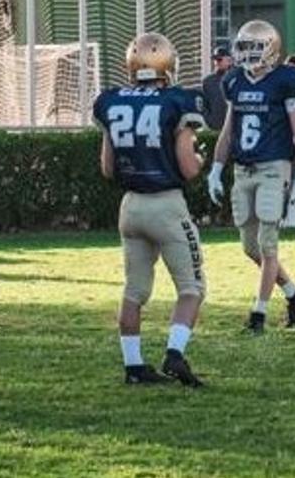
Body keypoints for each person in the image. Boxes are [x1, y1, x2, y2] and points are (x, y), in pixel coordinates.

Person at [94, 33, 207, 387]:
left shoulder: (111, 101)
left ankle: (133, 367)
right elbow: (188, 168)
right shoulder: (177, 100)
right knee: (191, 288)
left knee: (134, 290)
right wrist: (200, 159)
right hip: (165, 204)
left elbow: (108, 168)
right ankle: (174, 354)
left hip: (130, 207)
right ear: (167, 65)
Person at [207, 19, 295, 334]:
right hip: (243, 170)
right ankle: (294, 294)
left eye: (255, 47)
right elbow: (229, 130)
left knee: (268, 245)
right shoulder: (234, 81)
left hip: (274, 167)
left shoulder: (288, 79)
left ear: (271, 48)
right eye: (243, 47)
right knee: (250, 247)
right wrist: (216, 167)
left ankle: (259, 314)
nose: (248, 54)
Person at [201, 46, 232, 130]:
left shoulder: (236, 79)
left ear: (229, 61)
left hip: (233, 128)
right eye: (215, 59)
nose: (216, 62)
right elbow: (204, 105)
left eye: (219, 59)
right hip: (214, 128)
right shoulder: (208, 81)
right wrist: (210, 120)